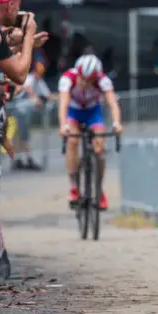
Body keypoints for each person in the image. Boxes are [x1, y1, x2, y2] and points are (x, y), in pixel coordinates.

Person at [57, 54, 123, 210]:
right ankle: (74, 186)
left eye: (90, 80)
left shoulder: (103, 81)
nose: (86, 83)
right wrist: (63, 125)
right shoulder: (67, 78)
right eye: (83, 79)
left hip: (93, 112)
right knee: (72, 142)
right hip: (74, 113)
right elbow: (63, 105)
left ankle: (99, 190)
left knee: (99, 148)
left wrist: (116, 123)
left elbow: (113, 104)